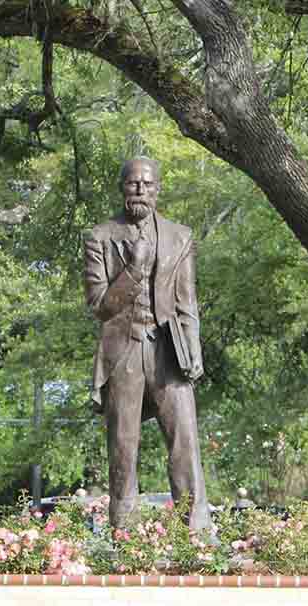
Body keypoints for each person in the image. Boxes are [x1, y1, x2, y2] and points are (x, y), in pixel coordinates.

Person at [83, 156, 210, 531]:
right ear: (122, 186)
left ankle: (198, 534)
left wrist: (194, 349)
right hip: (123, 349)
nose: (140, 189)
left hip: (169, 349)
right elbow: (98, 305)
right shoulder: (100, 237)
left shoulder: (179, 236)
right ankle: (126, 537)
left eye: (147, 184)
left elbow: (187, 301)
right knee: (124, 446)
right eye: (133, 183)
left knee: (184, 440)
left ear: (158, 189)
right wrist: (135, 269)